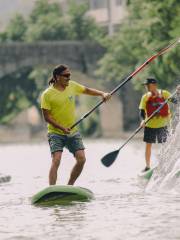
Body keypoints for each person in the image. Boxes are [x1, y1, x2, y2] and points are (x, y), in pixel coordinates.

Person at [41, 64, 111, 185]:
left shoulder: (72, 86)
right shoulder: (47, 94)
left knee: (81, 159)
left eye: (70, 75)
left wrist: (102, 94)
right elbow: (47, 117)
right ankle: (51, 190)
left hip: (72, 132)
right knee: (56, 160)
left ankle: (70, 186)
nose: (69, 78)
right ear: (57, 77)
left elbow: (87, 90)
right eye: (66, 75)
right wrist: (62, 128)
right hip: (55, 133)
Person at [139, 77, 172, 172]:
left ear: (154, 85)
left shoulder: (164, 93)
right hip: (150, 125)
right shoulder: (145, 97)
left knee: (165, 145)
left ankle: (165, 164)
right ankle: (147, 166)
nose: (146, 87)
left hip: (163, 125)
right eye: (145, 86)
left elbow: (175, 101)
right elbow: (141, 111)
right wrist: (142, 120)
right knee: (148, 145)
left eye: (147, 85)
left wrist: (178, 93)